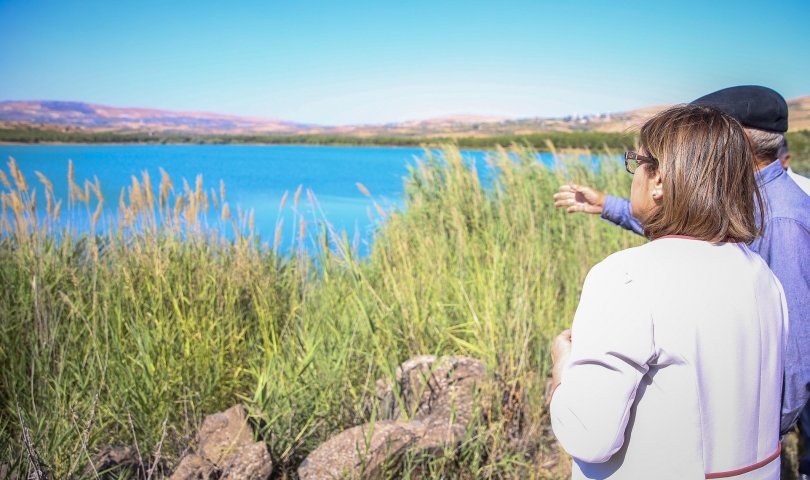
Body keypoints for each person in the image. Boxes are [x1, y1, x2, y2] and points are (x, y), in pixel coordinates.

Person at [552, 86, 810, 440]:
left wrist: (765, 432)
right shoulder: (747, 229)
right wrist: (608, 205)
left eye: (704, 133)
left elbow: (795, 355)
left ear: (732, 142)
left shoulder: (781, 222)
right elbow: (689, 228)